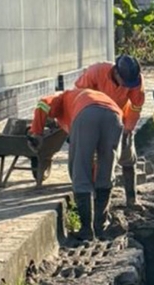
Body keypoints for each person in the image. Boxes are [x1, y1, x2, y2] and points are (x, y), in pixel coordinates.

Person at [29, 88, 122, 241]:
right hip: (115, 116)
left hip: (87, 115)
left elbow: (43, 104)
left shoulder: (62, 97)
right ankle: (101, 225)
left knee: (80, 169)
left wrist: (36, 132)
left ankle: (86, 230)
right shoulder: (81, 95)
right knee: (106, 169)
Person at [75, 55, 144, 214]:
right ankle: (94, 199)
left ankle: (131, 198)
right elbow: (79, 95)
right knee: (91, 159)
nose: (127, 86)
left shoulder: (135, 81)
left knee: (127, 158)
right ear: (117, 73)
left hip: (120, 118)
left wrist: (128, 129)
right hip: (93, 118)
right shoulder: (96, 72)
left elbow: (136, 106)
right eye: (124, 82)